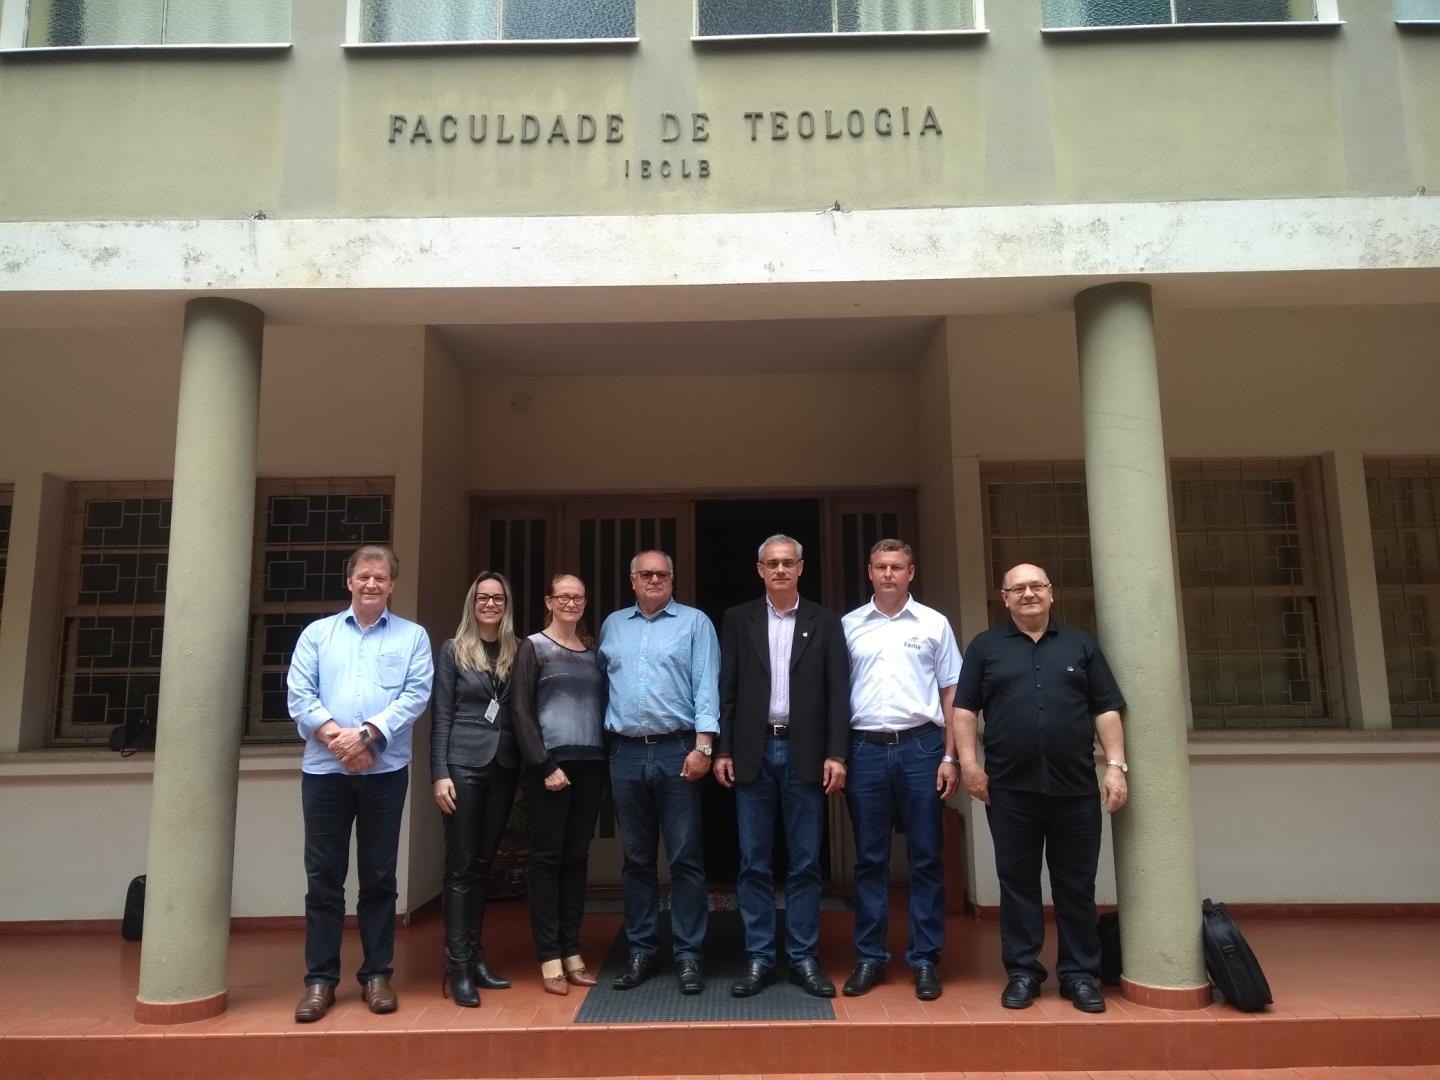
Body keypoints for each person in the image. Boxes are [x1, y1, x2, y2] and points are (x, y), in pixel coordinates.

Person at [951, 563, 1128, 1014]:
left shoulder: (1080, 644)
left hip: (1075, 791)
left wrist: (1116, 767)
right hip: (1009, 791)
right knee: (1018, 885)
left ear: (1051, 593)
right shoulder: (985, 647)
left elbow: (1105, 709)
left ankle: (1079, 975)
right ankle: (1024, 973)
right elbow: (965, 710)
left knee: (1075, 885)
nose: (1028, 594)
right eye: (1018, 589)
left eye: (1037, 586)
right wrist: (970, 765)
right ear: (1004, 598)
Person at [288, 544, 433, 1022]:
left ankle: (376, 974)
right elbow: (299, 694)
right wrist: (339, 741)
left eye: (381, 578)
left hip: (384, 773)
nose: (372, 584)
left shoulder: (412, 637)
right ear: (349, 581)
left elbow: (415, 695)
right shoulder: (318, 634)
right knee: (323, 879)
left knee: (379, 878)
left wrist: (368, 736)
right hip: (325, 773)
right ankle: (319, 981)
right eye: (363, 576)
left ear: (393, 585)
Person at [716, 535, 850, 999]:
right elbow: (727, 687)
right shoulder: (737, 619)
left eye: (787, 563)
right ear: (759, 570)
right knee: (753, 862)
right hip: (753, 751)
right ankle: (758, 958)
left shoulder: (826, 622)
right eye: (771, 563)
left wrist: (836, 752)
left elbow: (838, 693)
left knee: (806, 862)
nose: (779, 570)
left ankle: (803, 957)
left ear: (800, 568)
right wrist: (723, 749)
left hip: (805, 753)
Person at [841, 538, 961, 1002]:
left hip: (921, 748)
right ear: (869, 572)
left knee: (926, 856)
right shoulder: (849, 625)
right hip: (865, 749)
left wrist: (950, 756)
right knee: (870, 858)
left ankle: (925, 959)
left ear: (911, 573)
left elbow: (952, 693)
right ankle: (870, 956)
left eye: (897, 567)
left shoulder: (934, 624)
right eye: (880, 567)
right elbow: (836, 694)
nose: (888, 574)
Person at [597, 549, 721, 996]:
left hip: (679, 751)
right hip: (626, 754)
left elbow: (708, 684)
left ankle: (689, 955)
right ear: (632, 580)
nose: (654, 580)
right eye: (646, 574)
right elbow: (601, 686)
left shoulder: (695, 622)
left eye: (662, 574)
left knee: (686, 858)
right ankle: (641, 951)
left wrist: (704, 746)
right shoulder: (612, 625)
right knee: (636, 861)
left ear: (673, 579)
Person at [511, 573, 608, 996]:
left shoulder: (592, 651)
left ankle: (572, 949)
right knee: (547, 859)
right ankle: (549, 954)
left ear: (585, 602)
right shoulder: (533, 647)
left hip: (590, 764)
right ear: (549, 600)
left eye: (578, 597)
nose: (571, 603)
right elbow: (520, 711)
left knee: (576, 857)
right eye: (563, 596)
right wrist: (544, 763)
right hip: (549, 765)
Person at [430, 571, 521, 1008]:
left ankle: (476, 957)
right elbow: (441, 715)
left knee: (484, 866)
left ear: (506, 604)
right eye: (483, 597)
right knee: (461, 867)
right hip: (463, 766)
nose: (490, 604)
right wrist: (439, 772)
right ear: (472, 603)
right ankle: (458, 966)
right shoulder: (452, 651)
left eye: (497, 598)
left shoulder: (515, 650)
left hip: (503, 766)